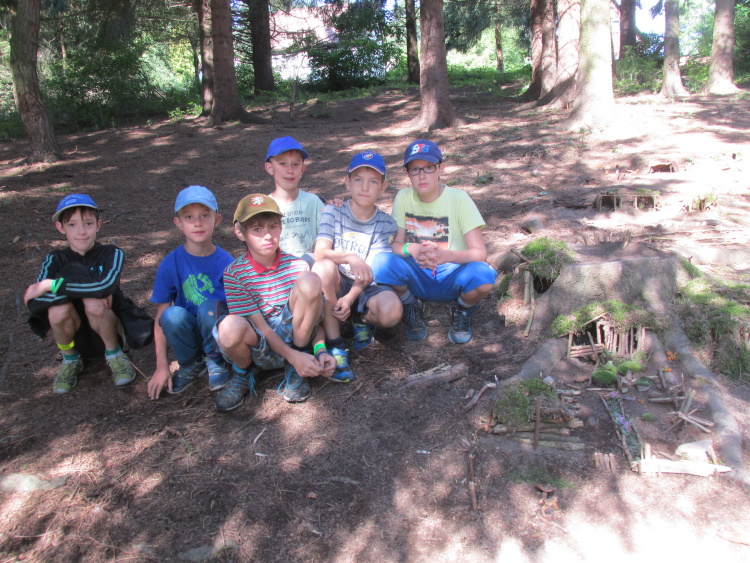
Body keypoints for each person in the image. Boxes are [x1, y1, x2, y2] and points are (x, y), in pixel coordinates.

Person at [213, 193, 335, 412]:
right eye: (257, 229)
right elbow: (261, 327)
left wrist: (320, 350)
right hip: (259, 347)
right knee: (229, 325)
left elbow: (314, 320)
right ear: (240, 232)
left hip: (296, 342)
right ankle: (243, 372)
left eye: (273, 227)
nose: (268, 235)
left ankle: (295, 370)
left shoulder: (297, 266)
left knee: (310, 280)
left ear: (281, 227)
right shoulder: (235, 274)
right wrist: (293, 357)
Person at [25, 193, 153, 394]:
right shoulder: (55, 259)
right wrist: (90, 289)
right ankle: (70, 358)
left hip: (107, 327)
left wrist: (53, 285)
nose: (81, 231)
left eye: (88, 223)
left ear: (98, 225)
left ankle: (115, 355)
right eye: (72, 225)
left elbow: (105, 286)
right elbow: (35, 303)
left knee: (95, 302)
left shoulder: (111, 253)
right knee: (57, 310)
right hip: (73, 331)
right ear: (60, 227)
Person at [373, 139, 497, 344]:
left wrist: (447, 256)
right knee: (380, 263)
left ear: (441, 168)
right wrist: (412, 248)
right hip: (417, 274)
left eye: (429, 167)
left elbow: (479, 253)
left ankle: (462, 308)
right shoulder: (404, 197)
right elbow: (396, 246)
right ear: (407, 173)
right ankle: (410, 304)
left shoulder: (459, 199)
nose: (422, 175)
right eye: (415, 169)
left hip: (452, 274)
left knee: (484, 276)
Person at [312, 151, 403, 380]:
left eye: (373, 182)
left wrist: (350, 298)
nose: (364, 187)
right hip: (337, 281)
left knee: (392, 312)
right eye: (358, 180)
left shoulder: (386, 223)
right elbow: (320, 252)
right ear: (347, 182)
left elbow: (371, 271)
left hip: (367, 284)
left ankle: (360, 319)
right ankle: (336, 343)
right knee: (322, 267)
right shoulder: (333, 211)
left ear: (383, 187)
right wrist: (351, 258)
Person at [146, 186, 235, 399]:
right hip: (191, 332)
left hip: (218, 333)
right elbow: (160, 318)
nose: (197, 223)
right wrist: (161, 366)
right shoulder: (171, 263)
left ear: (217, 219)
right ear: (178, 223)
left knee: (208, 307)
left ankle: (216, 361)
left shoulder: (228, 263)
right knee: (171, 315)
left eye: (205, 215)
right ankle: (190, 363)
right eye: (189, 217)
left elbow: (240, 308)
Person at [265, 136, 324, 263]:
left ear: (303, 168)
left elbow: (327, 235)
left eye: (295, 164)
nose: (290, 170)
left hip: (311, 267)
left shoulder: (313, 202)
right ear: (269, 168)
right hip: (279, 270)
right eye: (282, 164)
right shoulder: (265, 206)